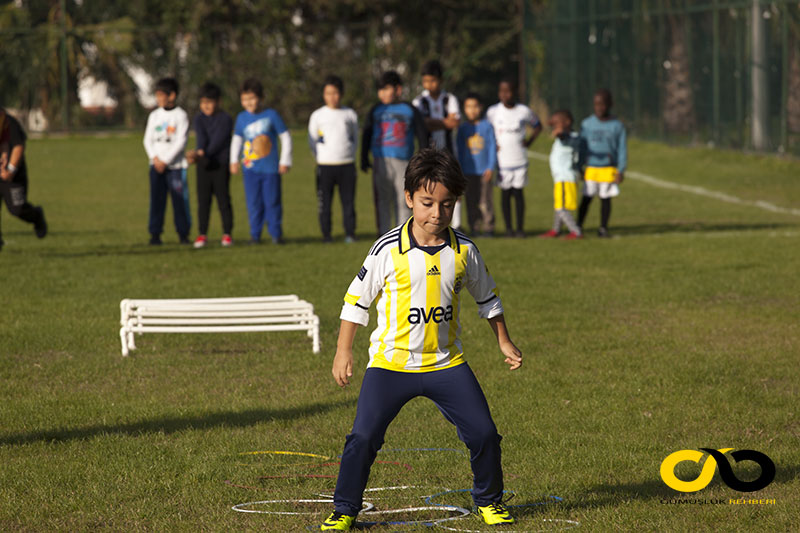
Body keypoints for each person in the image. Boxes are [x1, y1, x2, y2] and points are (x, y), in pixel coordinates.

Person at [320, 148, 523, 531]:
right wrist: (342, 350)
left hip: (445, 363)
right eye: (428, 203)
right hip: (391, 365)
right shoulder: (386, 250)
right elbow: (355, 302)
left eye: (447, 205)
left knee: (484, 434)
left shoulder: (465, 250)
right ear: (409, 197)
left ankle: (489, 500)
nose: (437, 214)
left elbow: (488, 298)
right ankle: (344, 509)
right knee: (362, 437)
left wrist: (504, 341)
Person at [361, 70, 428, 235]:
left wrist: (424, 159)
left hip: (404, 163)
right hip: (380, 162)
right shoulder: (376, 110)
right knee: (382, 200)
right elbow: (367, 134)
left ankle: (403, 235)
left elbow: (422, 134)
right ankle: (384, 236)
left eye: (386, 89)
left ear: (398, 90)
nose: (382, 93)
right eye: (380, 90)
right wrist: (363, 157)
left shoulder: (409, 109)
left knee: (404, 199)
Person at [229, 78, 292, 244]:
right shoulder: (241, 118)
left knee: (272, 202)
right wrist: (233, 160)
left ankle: (276, 234)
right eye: (245, 99)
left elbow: (285, 136)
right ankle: (255, 235)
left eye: (252, 98)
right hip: (250, 169)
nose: (249, 102)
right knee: (253, 203)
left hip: (271, 169)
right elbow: (237, 139)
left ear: (261, 98)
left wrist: (285, 160)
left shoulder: (271, 115)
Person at [486, 80, 542, 238]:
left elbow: (538, 125)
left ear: (515, 92)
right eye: (502, 91)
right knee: (505, 194)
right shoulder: (493, 112)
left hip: (519, 160)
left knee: (518, 194)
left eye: (508, 91)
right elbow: (486, 130)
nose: (505, 95)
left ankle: (520, 229)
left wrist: (529, 142)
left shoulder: (523, 111)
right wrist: (492, 144)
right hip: (502, 162)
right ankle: (508, 229)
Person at [412, 60, 463, 229]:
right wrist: (442, 121)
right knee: (428, 187)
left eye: (432, 80)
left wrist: (431, 122)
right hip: (427, 151)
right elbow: (421, 123)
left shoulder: (449, 99)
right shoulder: (419, 101)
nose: (429, 84)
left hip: (449, 150)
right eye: (425, 80)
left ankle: (457, 224)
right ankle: (428, 219)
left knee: (453, 184)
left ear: (440, 80)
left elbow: (454, 122)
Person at [308, 75, 359, 243]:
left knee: (348, 203)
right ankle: (326, 235)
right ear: (323, 95)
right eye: (328, 93)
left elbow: (355, 137)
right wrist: (320, 157)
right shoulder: (317, 115)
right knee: (325, 204)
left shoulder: (349, 114)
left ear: (341, 94)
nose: (332, 97)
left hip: (346, 165)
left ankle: (350, 233)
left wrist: (349, 154)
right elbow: (312, 140)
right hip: (325, 166)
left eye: (335, 93)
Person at [143, 77, 191, 245]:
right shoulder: (154, 115)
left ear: (172, 96)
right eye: (156, 95)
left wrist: (165, 161)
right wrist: (155, 159)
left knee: (179, 200)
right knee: (156, 200)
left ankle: (183, 233)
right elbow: (147, 140)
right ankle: (155, 234)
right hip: (155, 166)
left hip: (175, 167)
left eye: (161, 95)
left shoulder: (181, 116)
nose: (158, 99)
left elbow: (181, 142)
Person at [187, 82, 234, 248]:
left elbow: (217, 142)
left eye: (209, 102)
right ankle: (202, 234)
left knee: (223, 199)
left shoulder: (225, 119)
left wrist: (200, 153)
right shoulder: (199, 118)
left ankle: (227, 233)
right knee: (203, 201)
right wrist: (197, 153)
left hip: (220, 164)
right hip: (204, 165)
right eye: (203, 102)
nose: (206, 106)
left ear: (218, 102)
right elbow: (202, 140)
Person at [577, 89, 627, 238]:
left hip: (608, 168)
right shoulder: (587, 124)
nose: (599, 107)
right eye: (596, 104)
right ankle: (578, 226)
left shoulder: (617, 126)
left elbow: (622, 148)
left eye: (603, 104)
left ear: (610, 104)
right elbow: (582, 147)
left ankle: (603, 228)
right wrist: (579, 166)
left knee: (605, 198)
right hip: (591, 168)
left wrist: (621, 169)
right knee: (587, 198)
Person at [0, 108, 47, 251]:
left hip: (13, 175)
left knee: (17, 209)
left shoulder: (8, 123)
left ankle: (36, 216)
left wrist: (10, 170)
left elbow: (18, 147)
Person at [456, 92, 497, 236]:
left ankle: (488, 228)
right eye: (468, 107)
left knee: (485, 201)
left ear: (481, 107)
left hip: (484, 172)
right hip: (467, 172)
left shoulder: (487, 126)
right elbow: (459, 150)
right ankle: (474, 227)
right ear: (464, 109)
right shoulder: (462, 129)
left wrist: (490, 167)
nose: (472, 110)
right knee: (471, 201)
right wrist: (459, 169)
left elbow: (492, 147)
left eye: (475, 106)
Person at [539, 109, 584, 240]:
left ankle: (576, 231)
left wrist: (560, 132)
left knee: (561, 207)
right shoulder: (572, 137)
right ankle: (556, 229)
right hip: (562, 178)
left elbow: (563, 136)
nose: (555, 126)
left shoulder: (570, 137)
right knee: (559, 205)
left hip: (565, 178)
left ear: (567, 122)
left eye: (558, 123)